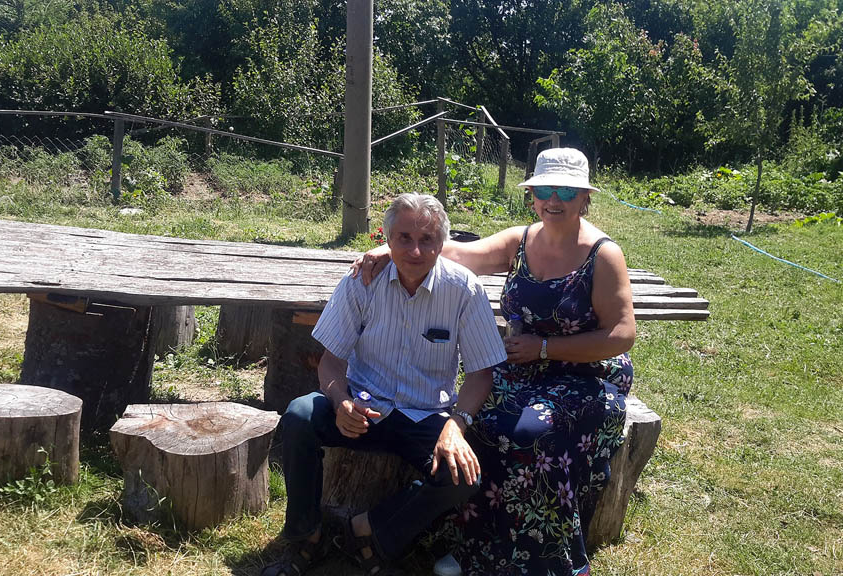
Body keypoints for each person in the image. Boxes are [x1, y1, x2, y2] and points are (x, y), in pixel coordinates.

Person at [353, 148, 636, 575]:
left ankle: (534, 556)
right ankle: (470, 544)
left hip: (585, 374)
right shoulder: (520, 240)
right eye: (544, 189)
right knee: (473, 422)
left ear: (584, 198)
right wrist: (387, 250)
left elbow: (622, 334)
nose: (553, 199)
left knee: (528, 432)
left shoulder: (602, 254)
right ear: (532, 195)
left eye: (566, 191)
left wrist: (545, 348)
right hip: (521, 366)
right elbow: (453, 253)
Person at [263, 193, 508, 576]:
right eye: (404, 238)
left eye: (427, 239)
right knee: (299, 415)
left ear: (443, 243)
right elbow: (331, 360)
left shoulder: (464, 289)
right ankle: (305, 536)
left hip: (425, 413)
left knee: (463, 474)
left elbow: (481, 373)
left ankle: (369, 530)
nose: (415, 250)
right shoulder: (362, 281)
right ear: (387, 239)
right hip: (364, 405)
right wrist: (340, 400)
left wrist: (456, 425)